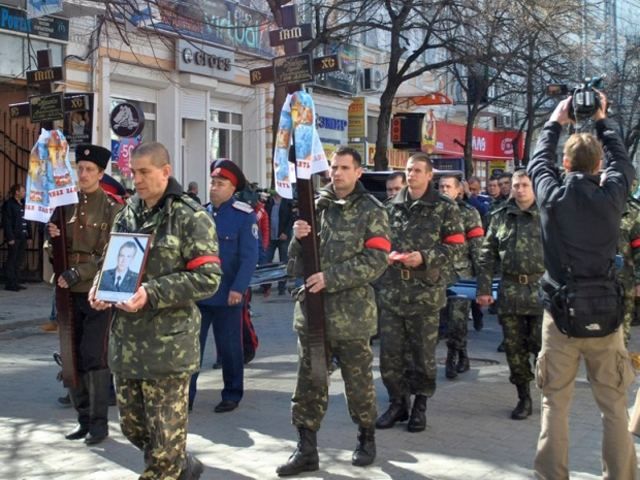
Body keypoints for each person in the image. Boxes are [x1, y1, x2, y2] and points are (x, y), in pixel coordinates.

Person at [89, 142, 221, 480]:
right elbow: (112, 260)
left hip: (168, 349)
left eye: (145, 172)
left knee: (162, 453)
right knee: (134, 429)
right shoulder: (128, 212)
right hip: (128, 345)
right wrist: (101, 288)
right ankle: (182, 464)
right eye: (133, 172)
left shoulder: (190, 216)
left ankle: (170, 465)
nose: (137, 180)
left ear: (166, 171)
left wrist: (152, 291)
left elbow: (208, 278)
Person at [528, 94, 637, 479]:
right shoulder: (613, 197)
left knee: (554, 404)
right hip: (606, 317)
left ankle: (552, 475)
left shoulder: (552, 197)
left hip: (559, 317)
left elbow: (537, 162)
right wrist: (603, 121)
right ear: (599, 166)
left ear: (566, 164)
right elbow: (624, 164)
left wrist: (556, 119)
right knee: (613, 405)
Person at [276, 146, 390, 476]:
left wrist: (331, 278)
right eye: (333, 168)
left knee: (358, 384)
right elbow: (295, 263)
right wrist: (298, 238)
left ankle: (366, 438)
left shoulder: (372, 210)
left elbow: (376, 261)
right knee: (309, 385)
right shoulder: (316, 207)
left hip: (351, 316)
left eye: (343, 167)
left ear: (358, 172)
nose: (336, 173)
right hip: (313, 312)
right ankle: (306, 449)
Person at [375, 153, 463, 433]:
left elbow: (457, 247)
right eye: (408, 170)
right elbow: (376, 243)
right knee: (390, 356)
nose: (411, 175)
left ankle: (420, 406)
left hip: (424, 293)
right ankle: (398, 403)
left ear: (429, 176)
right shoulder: (391, 207)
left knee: (422, 356)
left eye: (417, 170)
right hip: (392, 292)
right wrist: (384, 256)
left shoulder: (445, 208)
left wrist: (424, 257)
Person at [47, 144, 122, 445]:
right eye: (80, 168)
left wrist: (79, 273)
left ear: (101, 173)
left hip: (95, 292)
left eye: (90, 169)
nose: (83, 173)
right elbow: (51, 247)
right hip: (66, 290)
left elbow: (110, 254)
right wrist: (51, 241)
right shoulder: (64, 204)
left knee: (94, 355)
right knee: (71, 356)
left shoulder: (111, 207)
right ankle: (82, 419)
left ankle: (99, 424)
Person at [189, 159, 258, 413]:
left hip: (228, 293)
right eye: (213, 182)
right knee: (192, 347)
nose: (214, 187)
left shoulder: (243, 215)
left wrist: (238, 289)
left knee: (230, 347)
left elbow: (249, 257)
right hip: (200, 293)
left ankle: (231, 393)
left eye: (221, 183)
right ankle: (186, 396)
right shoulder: (200, 213)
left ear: (232, 188)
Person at [475, 169, 544, 419]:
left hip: (541, 292)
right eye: (516, 185)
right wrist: (483, 289)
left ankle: (548, 394)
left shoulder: (548, 214)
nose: (520, 190)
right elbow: (486, 256)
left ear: (534, 187)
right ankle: (523, 397)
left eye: (525, 185)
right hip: (511, 292)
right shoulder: (500, 216)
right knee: (515, 351)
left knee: (542, 348)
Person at [438, 175, 484, 380]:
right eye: (441, 186)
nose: (444, 190)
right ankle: (461, 353)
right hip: (436, 275)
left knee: (457, 319)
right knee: (443, 319)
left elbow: (477, 247)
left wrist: (482, 279)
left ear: (459, 191)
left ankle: (453, 356)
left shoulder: (469, 213)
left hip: (461, 275)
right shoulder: (431, 211)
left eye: (448, 186)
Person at [264, 191, 294, 295]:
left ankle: (282, 287)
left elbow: (291, 219)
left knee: (283, 262)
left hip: (283, 237)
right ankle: (266, 286)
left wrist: (286, 232)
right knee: (267, 261)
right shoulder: (269, 202)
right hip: (271, 237)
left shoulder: (287, 202)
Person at [2, 184, 28, 291]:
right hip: (14, 237)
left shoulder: (23, 204)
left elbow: (26, 220)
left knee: (19, 260)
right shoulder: (9, 204)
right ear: (17, 192)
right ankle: (10, 283)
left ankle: (16, 282)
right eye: (23, 191)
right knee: (12, 260)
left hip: (22, 236)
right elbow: (6, 222)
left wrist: (29, 235)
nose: (24, 193)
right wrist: (10, 237)